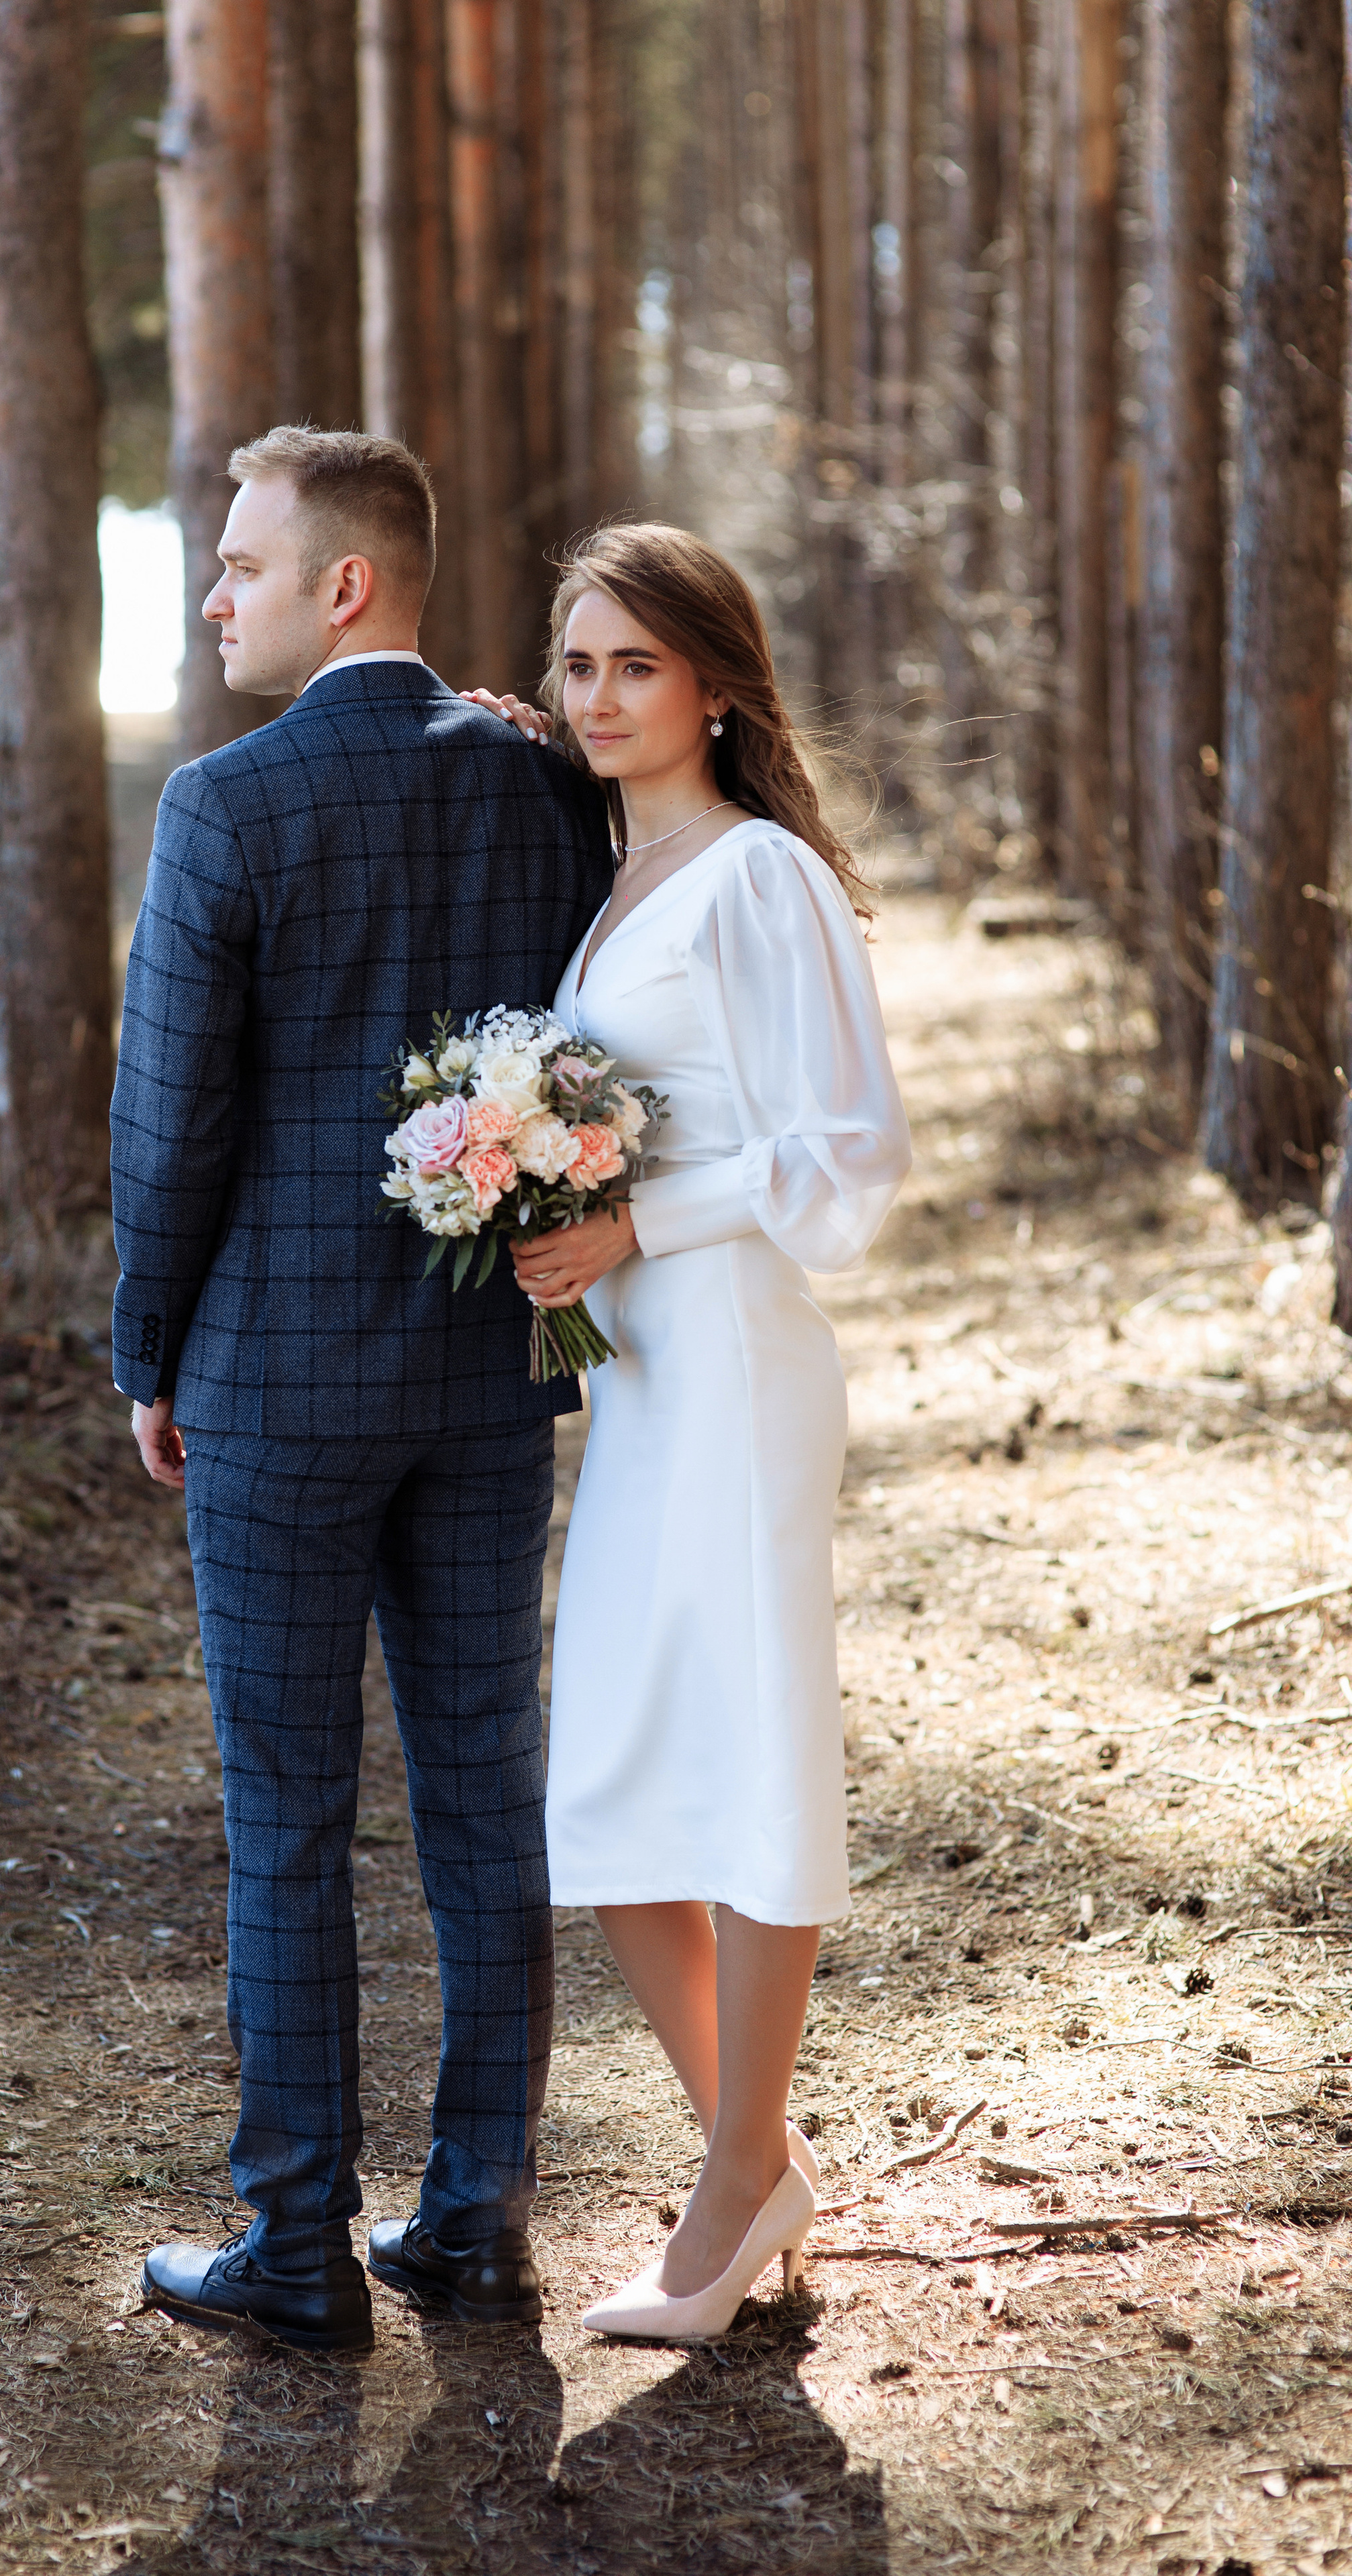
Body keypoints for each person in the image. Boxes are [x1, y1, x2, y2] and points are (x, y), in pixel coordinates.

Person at [109, 427, 613, 2354]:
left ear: (346, 585)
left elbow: (173, 1128)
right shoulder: (544, 787)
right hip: (491, 1365)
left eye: (240, 562)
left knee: (290, 1813)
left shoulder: (225, 807)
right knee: (485, 1795)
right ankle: (478, 2219)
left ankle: (296, 2242)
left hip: (278, 1383)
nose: (214, 593)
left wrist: (150, 1352)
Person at [497, 524, 910, 2340]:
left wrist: (635, 1227)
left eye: (635, 666)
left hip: (738, 1366)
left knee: (741, 1769)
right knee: (611, 1802)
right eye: (577, 666)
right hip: (642, 1384)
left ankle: (736, 2187)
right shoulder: (614, 876)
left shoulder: (759, 883)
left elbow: (850, 1153)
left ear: (718, 684)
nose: (601, 699)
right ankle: (765, 2156)